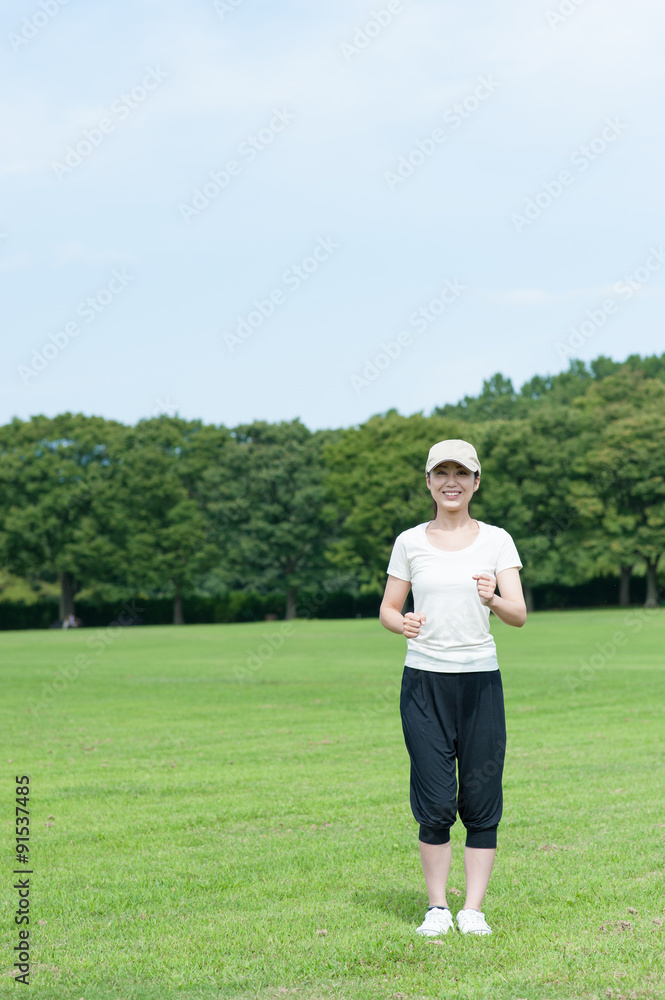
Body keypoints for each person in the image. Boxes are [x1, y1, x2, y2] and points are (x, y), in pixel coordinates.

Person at [379, 439, 526, 937]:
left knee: (482, 795)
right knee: (437, 797)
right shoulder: (409, 541)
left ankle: (473, 910)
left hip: (480, 682)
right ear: (427, 482)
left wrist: (495, 597)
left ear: (476, 482)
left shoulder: (497, 541)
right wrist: (403, 624)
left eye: (461, 473)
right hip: (424, 682)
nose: (451, 482)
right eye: (441, 473)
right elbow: (387, 608)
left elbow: (519, 614)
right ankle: (438, 908)